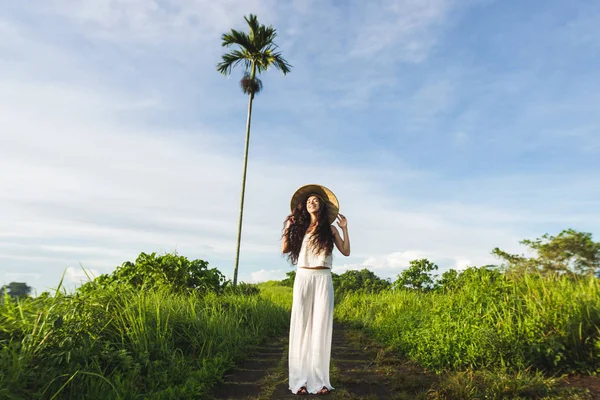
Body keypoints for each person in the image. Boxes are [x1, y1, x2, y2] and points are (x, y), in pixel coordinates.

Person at [281, 184, 351, 395]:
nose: (312, 202)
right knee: (301, 325)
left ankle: (320, 381)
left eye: (316, 200)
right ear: (305, 206)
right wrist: (288, 227)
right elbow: (285, 249)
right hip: (303, 277)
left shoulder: (329, 229)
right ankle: (299, 381)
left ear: (321, 206)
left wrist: (345, 228)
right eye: (309, 200)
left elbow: (346, 251)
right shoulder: (300, 228)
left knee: (320, 326)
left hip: (323, 277)